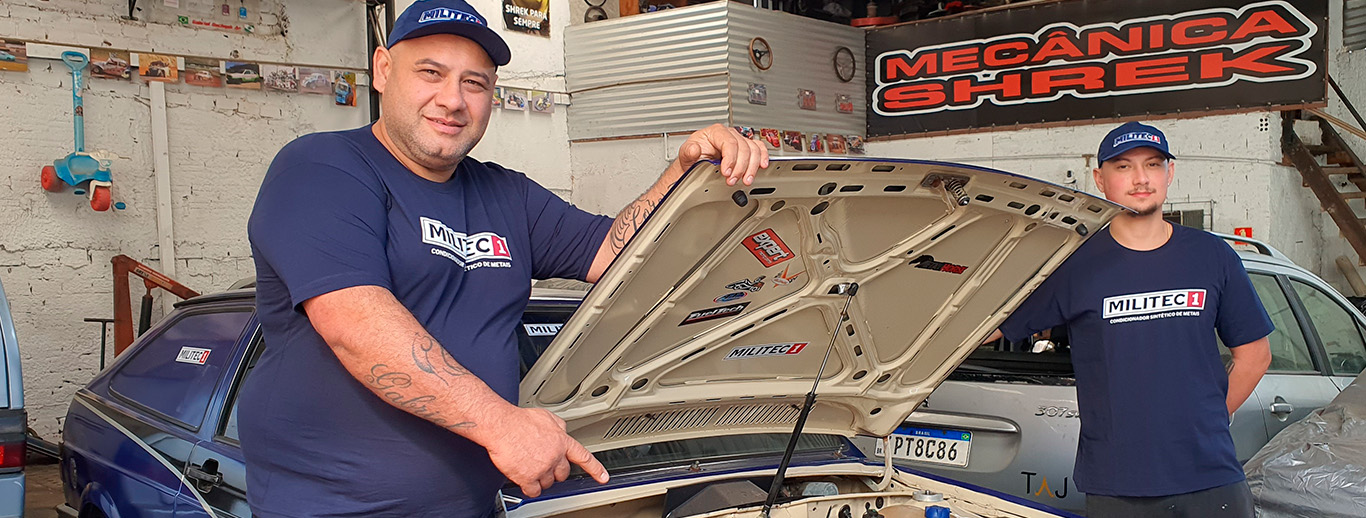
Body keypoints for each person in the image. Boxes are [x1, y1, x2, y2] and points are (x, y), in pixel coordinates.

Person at [238, 0, 768, 516]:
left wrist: (682, 175)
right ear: (382, 69)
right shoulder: (322, 169)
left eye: (475, 83)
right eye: (431, 72)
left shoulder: (506, 195)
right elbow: (355, 323)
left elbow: (618, 255)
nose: (453, 100)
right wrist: (502, 424)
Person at [982, 121, 1273, 517]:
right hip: (1118, 484)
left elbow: (1255, 355)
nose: (1140, 178)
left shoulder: (1212, 256)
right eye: (1123, 167)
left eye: (1152, 165)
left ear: (1169, 173)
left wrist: (1207, 423)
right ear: (1100, 179)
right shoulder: (1074, 265)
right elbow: (988, 326)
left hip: (1210, 478)